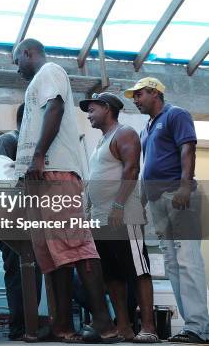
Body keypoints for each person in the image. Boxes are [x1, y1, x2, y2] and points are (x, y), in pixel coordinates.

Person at [13, 38, 120, 343]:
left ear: (27, 53)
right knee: (50, 255)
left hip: (54, 171)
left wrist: (38, 155)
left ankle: (103, 323)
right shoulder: (36, 81)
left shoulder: (49, 70)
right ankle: (62, 325)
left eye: (16, 60)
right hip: (38, 177)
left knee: (75, 247)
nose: (16, 66)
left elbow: (56, 107)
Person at [126, 77, 209, 343]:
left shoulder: (176, 115)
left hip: (178, 195)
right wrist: (139, 201)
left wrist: (185, 186)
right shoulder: (147, 128)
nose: (135, 100)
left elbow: (188, 148)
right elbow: (147, 166)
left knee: (187, 261)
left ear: (154, 93)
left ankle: (199, 327)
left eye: (139, 95)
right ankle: (192, 328)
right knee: (173, 265)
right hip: (157, 201)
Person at [81, 92, 158, 343]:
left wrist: (118, 205)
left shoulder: (124, 133)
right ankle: (123, 327)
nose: (89, 115)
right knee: (112, 276)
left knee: (138, 271)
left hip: (123, 216)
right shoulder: (101, 142)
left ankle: (148, 328)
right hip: (101, 220)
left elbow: (132, 169)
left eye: (92, 110)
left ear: (106, 107)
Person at [0, 103, 43, 341]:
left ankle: (28, 323)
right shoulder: (8, 141)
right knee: (17, 273)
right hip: (10, 220)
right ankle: (19, 326)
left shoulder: (31, 147)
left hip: (29, 221)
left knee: (33, 272)